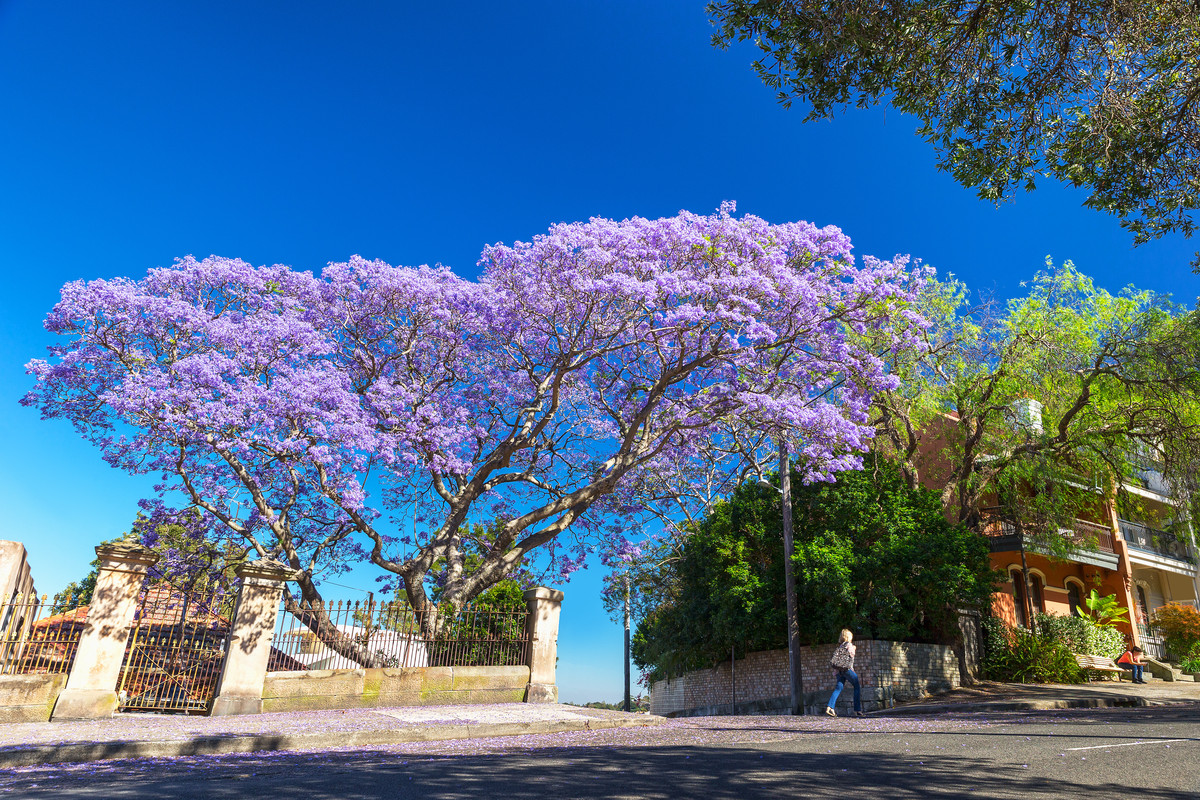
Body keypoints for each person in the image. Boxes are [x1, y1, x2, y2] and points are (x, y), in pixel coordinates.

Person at [826, 628, 864, 718]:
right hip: (847, 670)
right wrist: (853, 648)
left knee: (838, 688)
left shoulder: (840, 647)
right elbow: (851, 655)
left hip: (839, 671)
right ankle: (857, 710)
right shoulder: (849, 645)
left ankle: (830, 707)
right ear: (848, 637)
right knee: (856, 686)